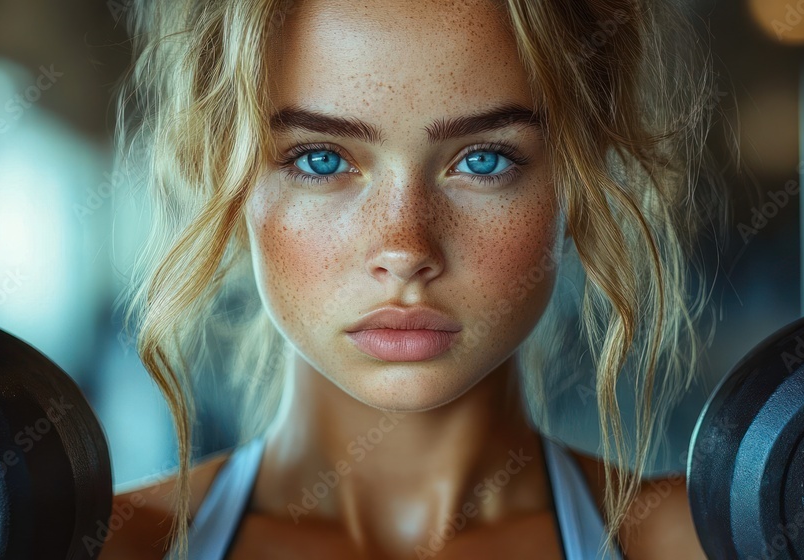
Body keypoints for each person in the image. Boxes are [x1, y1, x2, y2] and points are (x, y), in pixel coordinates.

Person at [100, 0, 725, 558]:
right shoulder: (104, 544)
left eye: (484, 160)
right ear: (229, 183)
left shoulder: (702, 541)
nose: (404, 249)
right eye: (321, 160)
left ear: (578, 186)